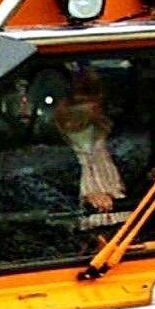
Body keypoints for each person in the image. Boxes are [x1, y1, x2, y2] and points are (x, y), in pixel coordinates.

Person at [53, 69, 126, 229]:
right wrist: (85, 200)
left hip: (133, 230)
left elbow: (141, 183)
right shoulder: (47, 152)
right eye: (76, 98)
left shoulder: (121, 142)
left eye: (91, 95)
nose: (85, 104)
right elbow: (47, 205)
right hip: (83, 238)